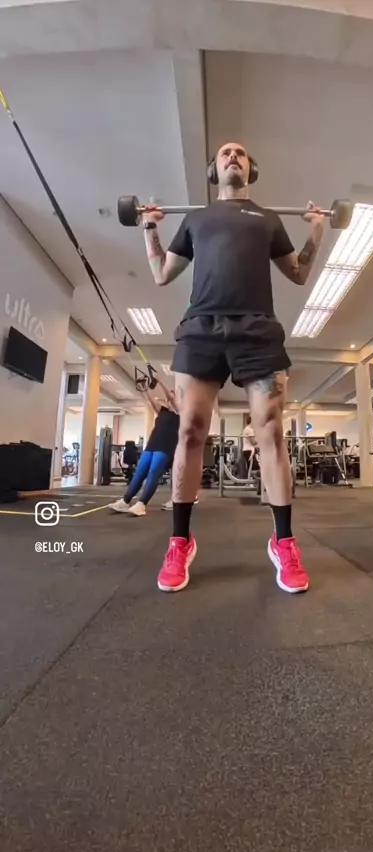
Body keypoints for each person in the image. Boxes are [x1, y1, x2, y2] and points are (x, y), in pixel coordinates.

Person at [143, 141, 326, 593]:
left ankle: (284, 542)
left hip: (257, 330)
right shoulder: (196, 219)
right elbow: (161, 274)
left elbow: (298, 273)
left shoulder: (268, 219)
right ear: (214, 169)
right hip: (201, 329)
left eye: (240, 153)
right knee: (190, 430)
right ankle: (180, 541)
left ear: (250, 168)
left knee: (271, 431)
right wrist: (149, 228)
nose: (232, 156)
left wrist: (317, 231)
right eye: (225, 152)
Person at [108, 381, 181, 516]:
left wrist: (160, 381)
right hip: (152, 445)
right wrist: (144, 389)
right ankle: (125, 501)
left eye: (172, 396)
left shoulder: (181, 412)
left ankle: (142, 504)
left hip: (165, 448)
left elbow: (171, 398)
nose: (168, 399)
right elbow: (150, 401)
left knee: (153, 474)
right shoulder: (162, 411)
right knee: (139, 473)